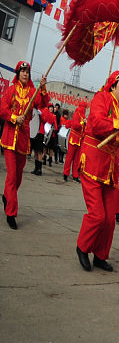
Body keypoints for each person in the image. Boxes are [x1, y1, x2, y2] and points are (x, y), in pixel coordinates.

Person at [75, 71, 119, 272]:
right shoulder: (102, 98)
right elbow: (96, 123)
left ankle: (100, 255)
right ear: (113, 85)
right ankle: (82, 247)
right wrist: (118, 123)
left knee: (109, 219)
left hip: (111, 167)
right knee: (97, 215)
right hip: (93, 161)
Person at [1, 61, 49, 228]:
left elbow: (43, 104)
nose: (25, 74)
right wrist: (14, 118)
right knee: (12, 175)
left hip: (23, 139)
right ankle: (11, 213)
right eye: (22, 71)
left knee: (18, 177)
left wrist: (42, 88)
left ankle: (7, 196)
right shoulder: (11, 90)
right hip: (9, 138)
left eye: (27, 71)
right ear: (17, 73)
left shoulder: (32, 92)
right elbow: (2, 109)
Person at [63, 107, 85, 182]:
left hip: (79, 140)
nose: (85, 109)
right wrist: (83, 123)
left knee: (76, 159)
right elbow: (76, 125)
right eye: (84, 107)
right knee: (69, 157)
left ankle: (75, 175)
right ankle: (66, 174)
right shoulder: (77, 114)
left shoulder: (82, 116)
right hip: (73, 139)